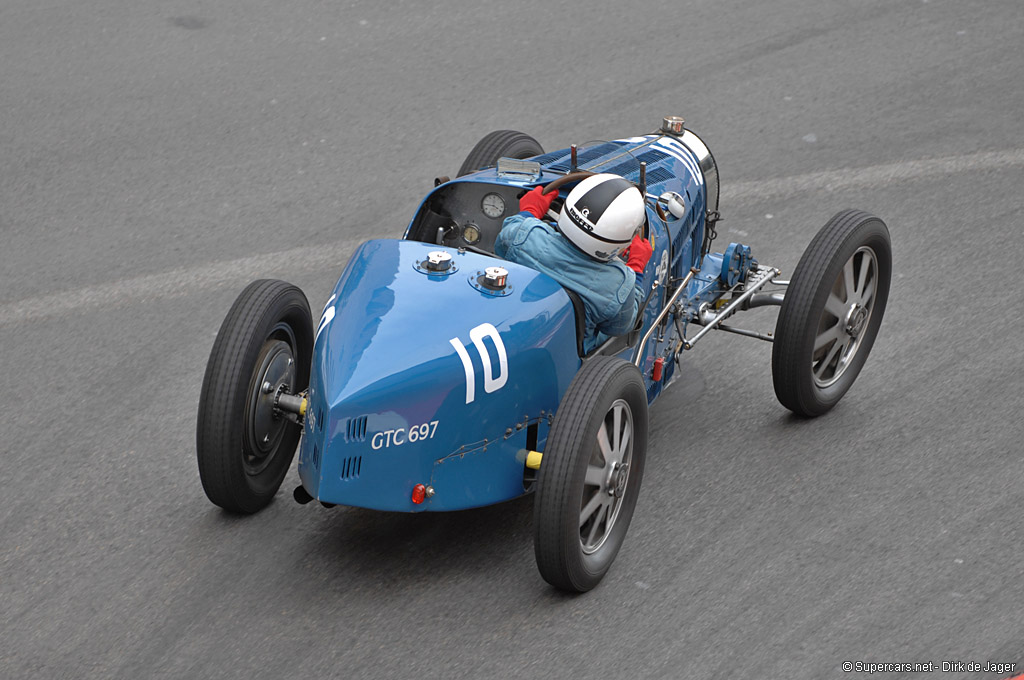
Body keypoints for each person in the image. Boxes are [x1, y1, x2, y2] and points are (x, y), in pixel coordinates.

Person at [495, 173, 653, 353]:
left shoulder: (522, 236)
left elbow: (508, 233)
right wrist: (636, 268)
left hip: (511, 327)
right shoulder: (619, 285)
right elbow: (623, 326)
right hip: (566, 355)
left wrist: (529, 211)